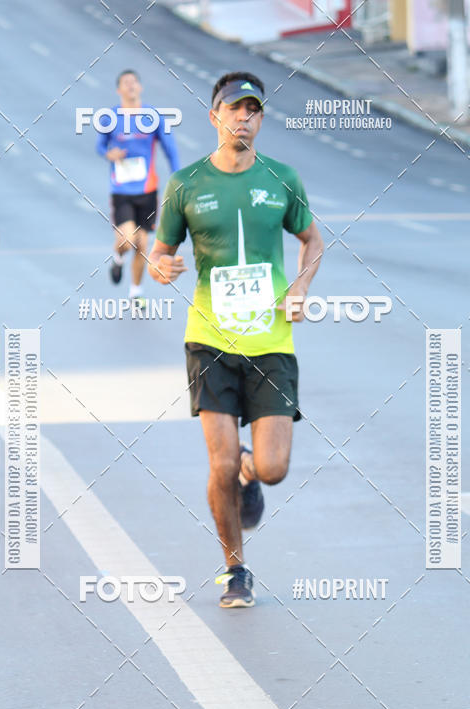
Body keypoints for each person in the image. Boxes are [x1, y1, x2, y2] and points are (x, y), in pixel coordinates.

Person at [148, 72, 323, 608]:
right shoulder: (185, 183)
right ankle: (235, 569)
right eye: (233, 109)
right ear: (214, 117)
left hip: (271, 341)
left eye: (253, 110)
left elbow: (312, 240)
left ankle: (252, 466)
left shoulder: (283, 178)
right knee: (218, 464)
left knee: (272, 468)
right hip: (210, 340)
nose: (243, 117)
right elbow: (160, 251)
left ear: (261, 119)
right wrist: (160, 267)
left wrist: (299, 288)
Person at [96, 69, 180, 307]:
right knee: (128, 239)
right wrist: (108, 153)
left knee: (142, 245)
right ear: (119, 90)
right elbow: (100, 146)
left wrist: (179, 177)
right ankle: (118, 258)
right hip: (122, 189)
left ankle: (135, 291)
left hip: (147, 189)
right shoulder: (110, 117)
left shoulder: (152, 116)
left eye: (134, 82)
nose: (131, 86)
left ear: (140, 87)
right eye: (126, 83)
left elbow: (170, 149)